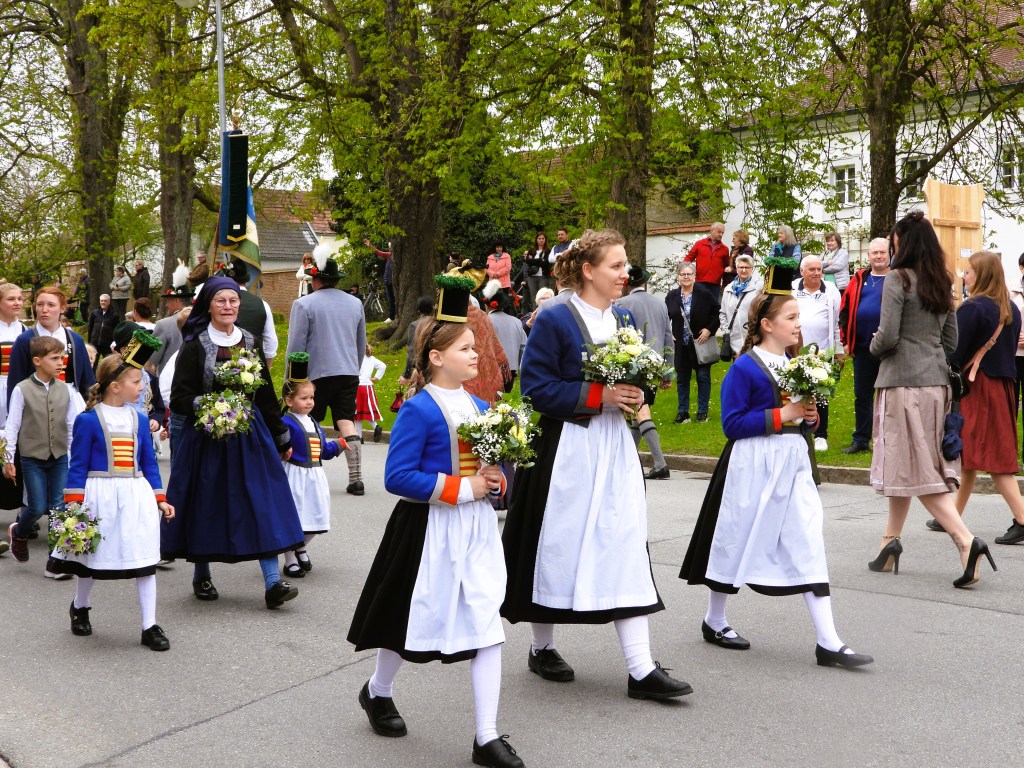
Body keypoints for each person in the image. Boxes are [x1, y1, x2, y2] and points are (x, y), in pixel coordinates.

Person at [501, 229, 692, 702]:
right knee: (556, 545)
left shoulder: (622, 317)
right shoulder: (554, 318)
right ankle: (542, 647)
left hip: (614, 449)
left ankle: (640, 668)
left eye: (625, 265)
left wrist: (638, 390)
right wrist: (600, 395)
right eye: (616, 265)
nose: (626, 273)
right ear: (588, 270)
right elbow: (536, 390)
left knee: (625, 542)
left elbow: (631, 376)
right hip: (567, 449)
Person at [347, 277, 525, 768]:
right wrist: (464, 488)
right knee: (406, 617)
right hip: (427, 530)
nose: (476, 354)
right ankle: (378, 690)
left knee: (486, 622)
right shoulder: (419, 409)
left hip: (477, 531)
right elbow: (398, 476)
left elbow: (492, 469)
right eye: (466, 348)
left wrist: (496, 480)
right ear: (436, 357)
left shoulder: (483, 407)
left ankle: (486, 736)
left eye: (474, 347)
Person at [679, 289, 873, 668]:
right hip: (752, 465)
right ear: (767, 325)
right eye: (791, 317)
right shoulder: (745, 367)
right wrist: (783, 415)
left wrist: (810, 417)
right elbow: (732, 424)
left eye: (799, 316)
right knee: (736, 540)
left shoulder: (797, 364)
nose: (799, 323)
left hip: (793, 464)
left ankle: (828, 641)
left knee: (808, 540)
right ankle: (714, 619)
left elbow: (803, 419)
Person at [867, 210, 996, 589]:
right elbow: (951, 342)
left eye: (894, 242)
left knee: (919, 469)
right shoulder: (942, 281)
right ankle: (889, 542)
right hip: (937, 386)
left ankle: (966, 540)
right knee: (908, 464)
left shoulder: (898, 279)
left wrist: (872, 345)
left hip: (902, 385)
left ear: (903, 244)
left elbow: (888, 336)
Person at [162, 277, 305, 608]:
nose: (228, 306)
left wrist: (281, 436)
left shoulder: (250, 340)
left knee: (261, 500)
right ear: (209, 306)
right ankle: (202, 574)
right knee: (205, 501)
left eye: (233, 301)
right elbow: (180, 396)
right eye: (221, 301)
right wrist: (211, 407)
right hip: (207, 437)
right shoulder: (195, 344)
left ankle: (273, 582)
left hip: (249, 436)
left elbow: (265, 393)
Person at [52, 341, 174, 651]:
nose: (141, 387)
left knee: (144, 558)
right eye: (136, 382)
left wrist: (160, 498)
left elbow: (148, 463)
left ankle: (149, 625)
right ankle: (80, 606)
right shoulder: (88, 420)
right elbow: (77, 466)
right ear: (116, 386)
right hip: (100, 495)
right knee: (91, 555)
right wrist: (73, 506)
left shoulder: (140, 419)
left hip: (135, 495)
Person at [922, 251, 1024, 545]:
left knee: (993, 455)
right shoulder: (1010, 308)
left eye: (968, 272)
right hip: (1003, 386)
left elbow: (953, 351)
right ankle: (952, 514)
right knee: (970, 452)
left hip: (978, 386)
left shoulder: (974, 307)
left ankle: (1022, 517)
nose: (963, 277)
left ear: (981, 275)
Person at [287, 249, 368, 496]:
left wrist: (291, 379)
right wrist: (353, 367)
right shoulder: (355, 303)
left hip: (316, 373)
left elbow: (296, 346)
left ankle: (309, 470)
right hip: (348, 370)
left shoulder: (303, 304)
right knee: (346, 421)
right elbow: (361, 343)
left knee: (309, 420)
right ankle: (356, 478)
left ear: (316, 279)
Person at [4, 336, 83, 576]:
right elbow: (12, 426)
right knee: (37, 506)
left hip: (60, 457)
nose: (61, 362)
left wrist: (73, 458)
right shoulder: (22, 389)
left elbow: (71, 426)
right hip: (32, 458)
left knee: (59, 508)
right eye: (55, 358)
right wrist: (8, 459)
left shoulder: (67, 390)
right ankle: (19, 533)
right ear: (38, 361)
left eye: (62, 357)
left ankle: (55, 563)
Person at [280, 354, 346, 580]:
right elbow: (277, 446)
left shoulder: (314, 422)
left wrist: (340, 444)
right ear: (289, 401)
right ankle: (290, 560)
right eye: (304, 398)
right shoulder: (286, 422)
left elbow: (323, 450)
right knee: (295, 518)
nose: (309, 402)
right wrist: (282, 451)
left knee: (317, 517)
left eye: (312, 398)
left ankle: (300, 546)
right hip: (295, 476)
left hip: (315, 476)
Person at [616, 265, 674, 479]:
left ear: (627, 285)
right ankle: (626, 461)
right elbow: (669, 339)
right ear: (645, 282)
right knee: (637, 414)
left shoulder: (621, 304)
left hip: (632, 366)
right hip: (655, 365)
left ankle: (660, 463)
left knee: (641, 412)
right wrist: (667, 371)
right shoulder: (660, 303)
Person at [838, 237, 890, 454]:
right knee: (862, 396)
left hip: (889, 349)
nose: (878, 256)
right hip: (861, 347)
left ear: (889, 254)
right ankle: (861, 439)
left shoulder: (897, 278)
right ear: (868, 255)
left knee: (889, 397)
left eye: (882, 252)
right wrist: (846, 341)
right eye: (874, 253)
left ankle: (888, 440)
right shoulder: (860, 278)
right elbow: (845, 309)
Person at [7, 287, 95, 412]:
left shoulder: (75, 340)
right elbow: (15, 381)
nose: (44, 310)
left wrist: (91, 408)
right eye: (40, 305)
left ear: (62, 308)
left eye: (51, 305)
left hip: (70, 403)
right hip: (36, 405)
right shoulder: (25, 340)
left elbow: (87, 380)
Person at [792, 256, 842, 451]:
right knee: (796, 391)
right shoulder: (793, 289)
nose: (816, 273)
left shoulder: (831, 290)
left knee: (821, 394)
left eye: (819, 269)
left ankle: (821, 435)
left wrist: (838, 350)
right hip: (795, 350)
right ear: (802, 271)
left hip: (822, 351)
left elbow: (837, 322)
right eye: (811, 269)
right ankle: (798, 430)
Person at [666, 262, 720, 423]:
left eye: (689, 274)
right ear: (678, 277)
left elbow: (717, 313)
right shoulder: (672, 296)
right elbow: (665, 316)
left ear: (694, 276)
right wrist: (669, 333)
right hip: (681, 344)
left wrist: (709, 330)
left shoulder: (704, 294)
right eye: (683, 274)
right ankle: (683, 412)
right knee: (682, 378)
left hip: (699, 343)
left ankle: (702, 412)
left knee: (703, 377)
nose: (686, 277)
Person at [219, 258, 278, 367]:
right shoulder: (263, 305)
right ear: (246, 280)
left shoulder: (217, 304)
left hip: (221, 366)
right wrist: (266, 370)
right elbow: (271, 343)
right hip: (253, 369)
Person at [0, 283, 27, 519]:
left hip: (20, 390)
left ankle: (24, 509)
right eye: (11, 299)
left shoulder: (27, 331)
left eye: (19, 298)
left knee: (21, 447)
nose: (17, 303)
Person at [483, 283, 527, 392]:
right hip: (511, 369)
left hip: (492, 369)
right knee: (505, 399)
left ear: (486, 305)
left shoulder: (485, 321)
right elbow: (524, 347)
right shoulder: (517, 322)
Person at [719, 255, 763, 362]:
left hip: (754, 340)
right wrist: (726, 332)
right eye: (741, 267)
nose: (743, 270)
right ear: (737, 269)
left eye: (747, 267)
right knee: (739, 369)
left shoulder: (759, 286)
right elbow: (723, 313)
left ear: (752, 269)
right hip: (735, 342)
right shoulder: (728, 289)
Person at [400, 296, 435, 388]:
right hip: (436, 366)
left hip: (421, 369)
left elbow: (412, 351)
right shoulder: (437, 323)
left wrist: (406, 374)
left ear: (418, 310)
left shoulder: (414, 325)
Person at [683, 222, 730, 289]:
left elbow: (726, 267)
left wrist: (724, 284)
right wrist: (683, 271)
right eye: (719, 232)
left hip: (715, 284)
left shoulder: (724, 249)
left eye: (722, 233)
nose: (721, 234)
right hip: (700, 282)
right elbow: (689, 258)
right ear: (712, 231)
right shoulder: (699, 244)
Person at [356, 344, 387, 443]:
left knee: (357, 413)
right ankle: (375, 426)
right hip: (368, 387)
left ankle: (359, 437)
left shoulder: (356, 357)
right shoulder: (372, 359)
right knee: (366, 411)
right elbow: (382, 366)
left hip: (357, 386)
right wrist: (376, 378)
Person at [364, 239, 395, 322]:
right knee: (390, 300)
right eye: (389, 247)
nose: (389, 248)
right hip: (387, 281)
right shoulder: (389, 255)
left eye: (390, 247)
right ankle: (391, 316)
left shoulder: (396, 257)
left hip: (393, 282)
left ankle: (393, 316)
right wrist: (370, 246)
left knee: (394, 299)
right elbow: (379, 252)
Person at [522, 232, 552, 310]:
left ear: (545, 240)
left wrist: (534, 261)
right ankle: (534, 314)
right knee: (534, 298)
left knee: (543, 296)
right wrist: (539, 259)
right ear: (536, 240)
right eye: (539, 238)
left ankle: (543, 313)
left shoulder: (548, 251)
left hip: (543, 277)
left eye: (543, 238)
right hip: (532, 277)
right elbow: (528, 262)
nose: (541, 240)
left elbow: (545, 263)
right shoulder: (531, 250)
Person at [87, 295, 118, 361]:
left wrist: (114, 342)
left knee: (107, 362)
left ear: (109, 302)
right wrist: (89, 341)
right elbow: (90, 328)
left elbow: (116, 330)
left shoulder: (114, 315)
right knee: (93, 361)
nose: (103, 302)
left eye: (105, 301)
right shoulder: (95, 313)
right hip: (95, 343)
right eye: (102, 301)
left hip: (107, 344)